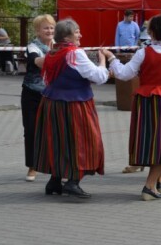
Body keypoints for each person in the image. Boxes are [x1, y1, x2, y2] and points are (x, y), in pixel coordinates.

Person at [103, 15, 161, 201]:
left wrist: (111, 58)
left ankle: (159, 182)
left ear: (150, 33)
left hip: (146, 101)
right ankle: (149, 186)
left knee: (150, 141)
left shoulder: (143, 52)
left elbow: (124, 74)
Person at [33, 18, 109, 198]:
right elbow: (99, 77)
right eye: (77, 32)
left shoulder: (52, 52)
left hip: (52, 103)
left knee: (59, 141)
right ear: (67, 36)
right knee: (83, 142)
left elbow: (47, 76)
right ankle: (73, 182)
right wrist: (103, 61)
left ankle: (54, 181)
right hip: (75, 104)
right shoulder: (74, 53)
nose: (80, 35)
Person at [21, 14, 55, 182]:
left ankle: (57, 167)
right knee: (31, 130)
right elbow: (38, 62)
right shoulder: (33, 46)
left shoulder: (59, 45)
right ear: (37, 31)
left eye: (51, 27)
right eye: (45, 28)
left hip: (53, 94)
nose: (49, 31)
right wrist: (59, 56)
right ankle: (32, 166)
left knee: (55, 131)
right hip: (32, 93)